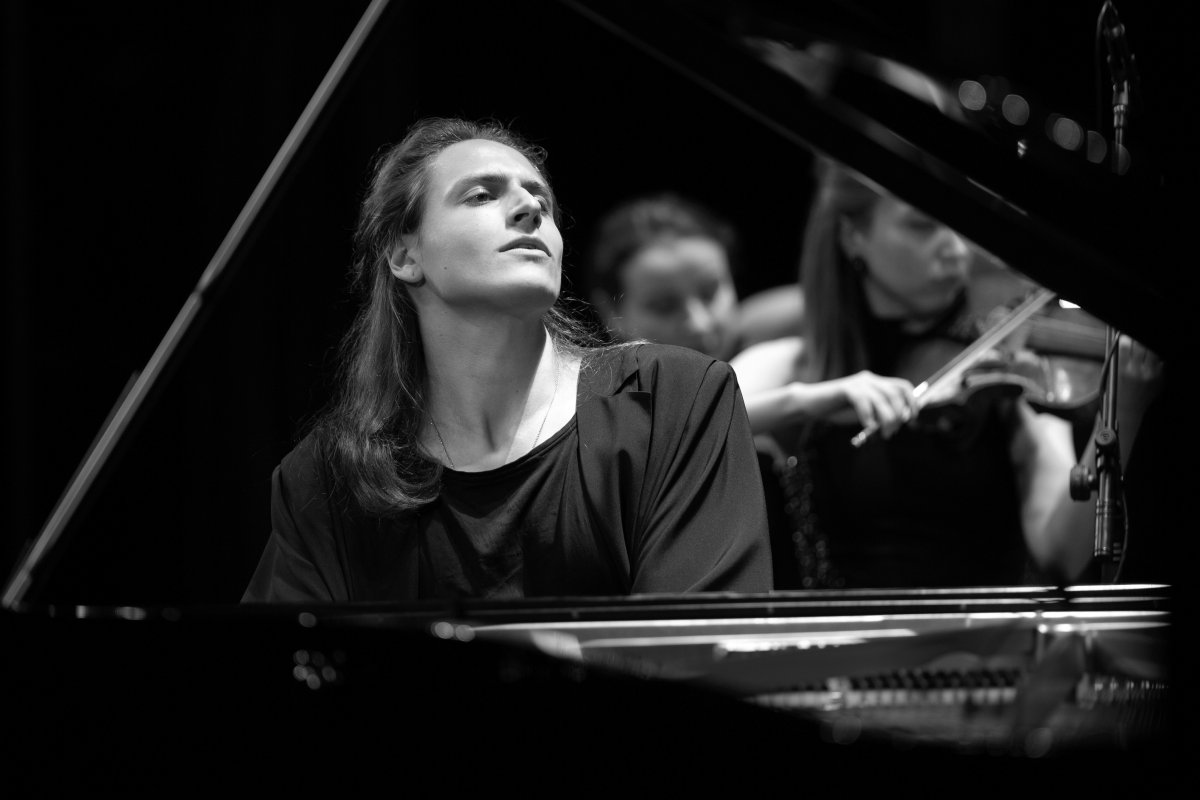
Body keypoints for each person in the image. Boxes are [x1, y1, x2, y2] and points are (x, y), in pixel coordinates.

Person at [242, 117, 772, 603]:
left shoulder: (674, 398)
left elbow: (697, 647)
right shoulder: (329, 478)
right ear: (405, 255)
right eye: (481, 195)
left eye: (540, 198)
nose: (530, 209)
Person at [730, 155, 1160, 590]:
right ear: (853, 236)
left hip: (979, 633)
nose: (956, 249)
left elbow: (1061, 554)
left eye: (960, 225)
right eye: (923, 225)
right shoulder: (795, 364)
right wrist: (808, 400)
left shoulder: (1010, 374)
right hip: (840, 632)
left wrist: (1125, 406)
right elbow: (698, 420)